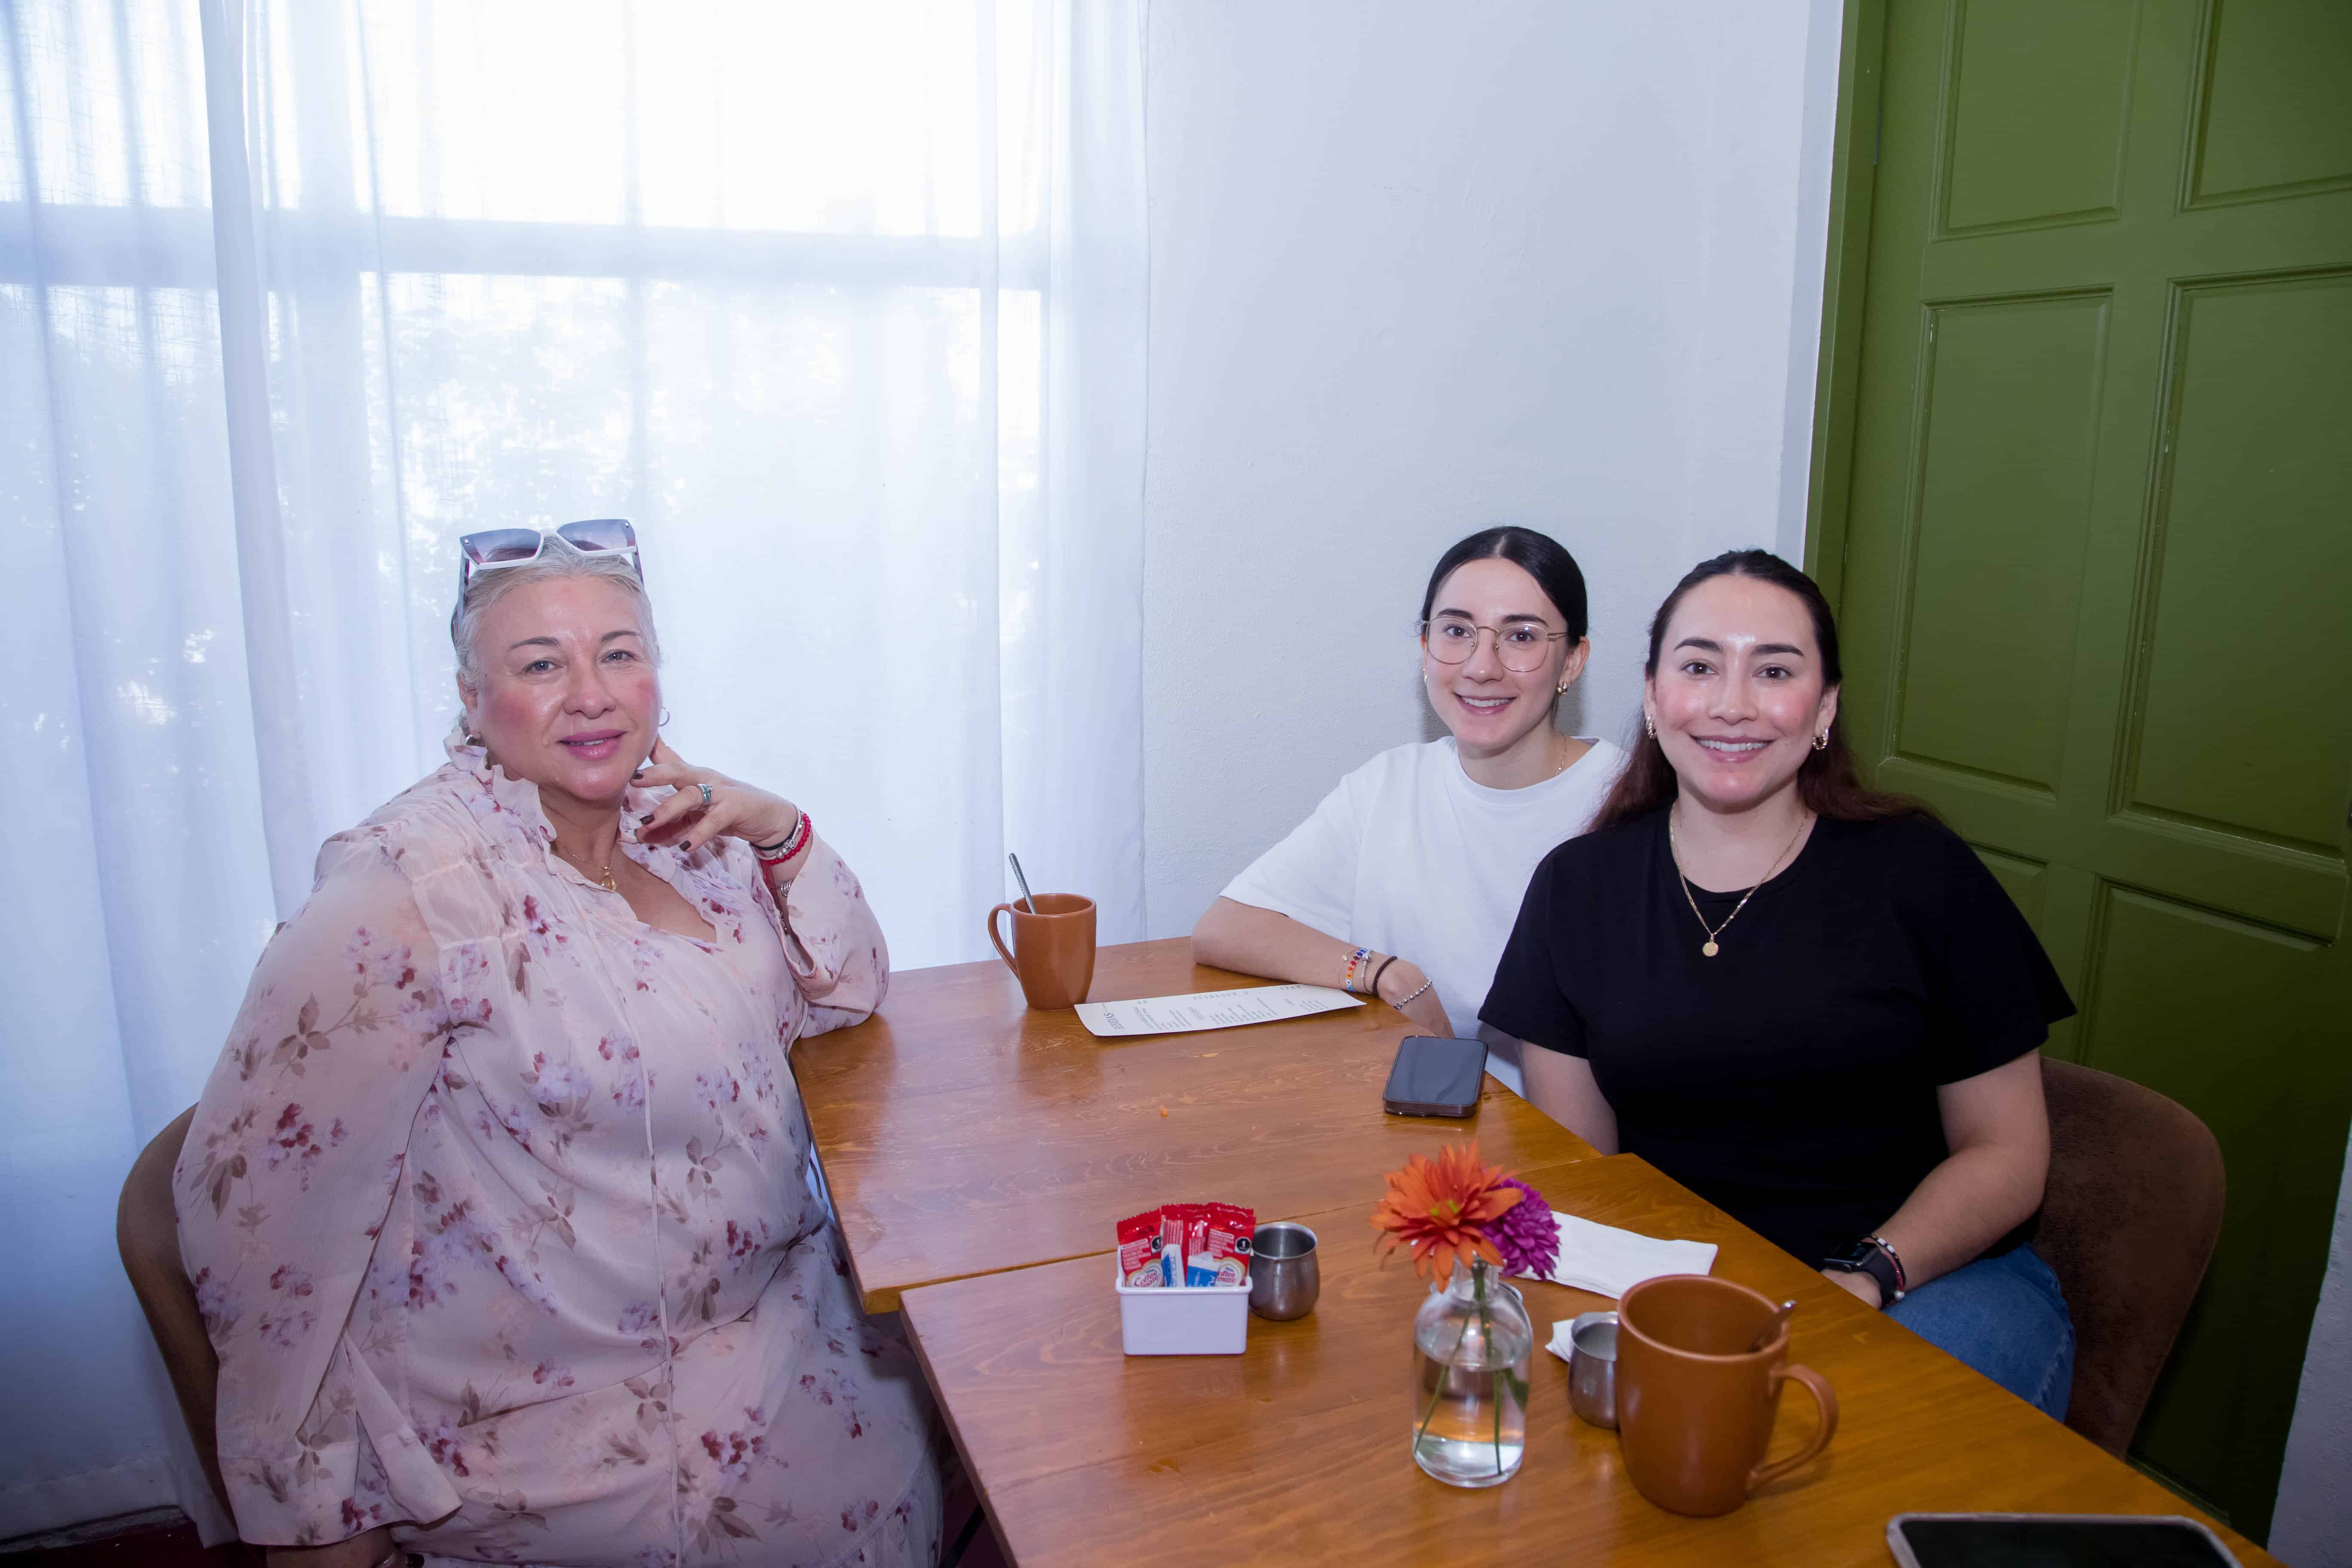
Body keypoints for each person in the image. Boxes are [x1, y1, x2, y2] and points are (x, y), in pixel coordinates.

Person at [176, 524, 946, 1568]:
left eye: (619, 653)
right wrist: (315, 1515)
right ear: (469, 699)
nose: (592, 692)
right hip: (581, 1420)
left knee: (1009, 1389)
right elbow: (264, 1222)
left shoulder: (683, 830)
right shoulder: (410, 895)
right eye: (541, 665)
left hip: (785, 1318)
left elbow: (847, 993)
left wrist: (777, 828)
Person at [1481, 549, 2076, 1415]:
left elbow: (2010, 1153)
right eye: (1699, 666)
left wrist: (1868, 1275)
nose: (1732, 703)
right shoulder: (1579, 887)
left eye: (1774, 670)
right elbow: (1585, 1169)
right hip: (1686, 1284)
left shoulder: (1922, 873)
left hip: (1926, 1278)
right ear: (1652, 697)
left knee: (1824, 1454)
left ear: (1824, 708)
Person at [1193, 527, 1624, 1097]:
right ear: (1425, 650)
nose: (1481, 666)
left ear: (1572, 661)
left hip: (1560, 1146)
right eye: (1456, 631)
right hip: (1422, 1125)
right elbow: (1225, 928)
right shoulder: (1389, 786)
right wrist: (1387, 974)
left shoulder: (1625, 802)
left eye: (1521, 636)